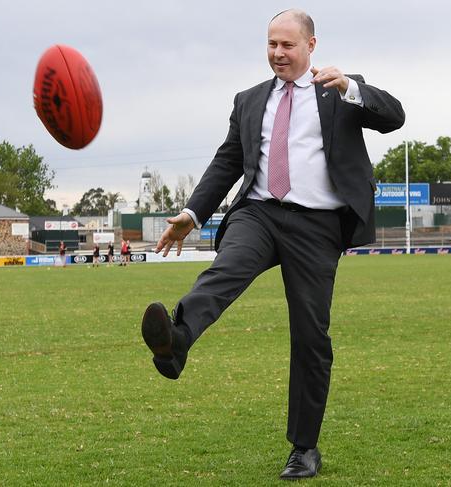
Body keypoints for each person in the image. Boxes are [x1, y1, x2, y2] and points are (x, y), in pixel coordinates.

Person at [140, 9, 404, 480]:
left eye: (287, 45)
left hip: (318, 225)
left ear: (311, 45)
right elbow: (227, 163)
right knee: (226, 270)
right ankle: (176, 340)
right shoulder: (248, 100)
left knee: (310, 334)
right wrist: (191, 214)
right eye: (270, 45)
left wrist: (351, 88)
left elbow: (394, 117)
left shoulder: (340, 90)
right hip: (259, 212)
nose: (277, 54)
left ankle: (304, 448)